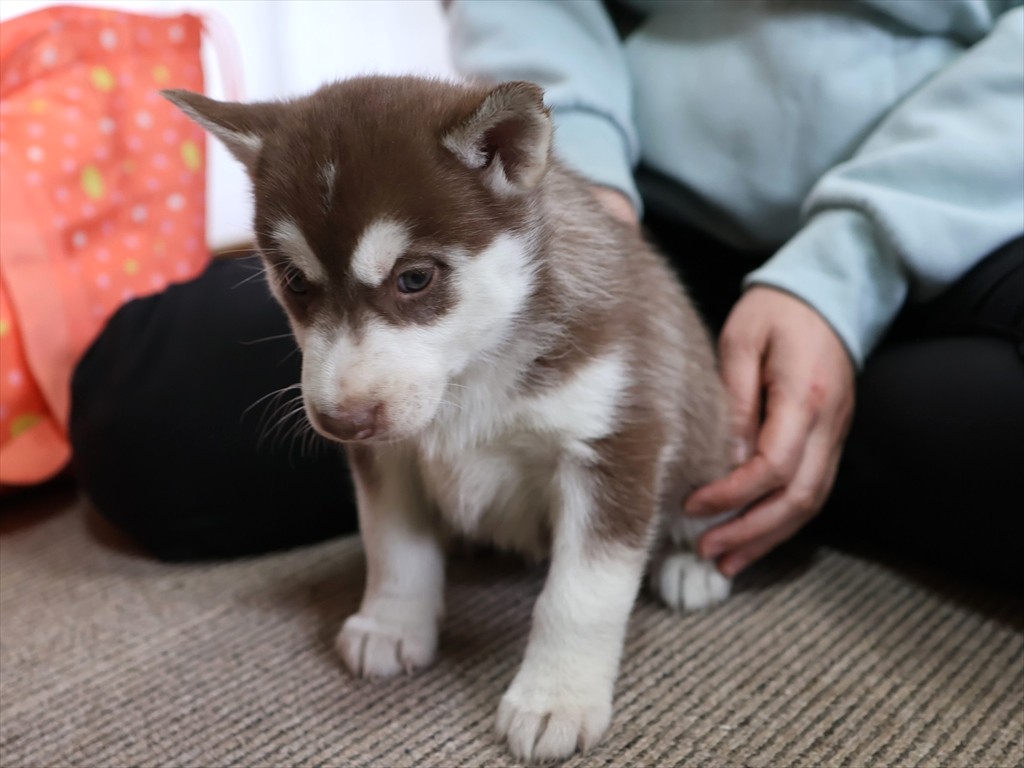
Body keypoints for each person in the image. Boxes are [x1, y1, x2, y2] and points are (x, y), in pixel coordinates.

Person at [71, 0, 1023, 587]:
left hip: (956, 199)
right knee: (141, 411)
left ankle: (722, 455)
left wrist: (847, 268)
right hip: (604, 200)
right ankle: (786, 452)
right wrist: (584, 177)